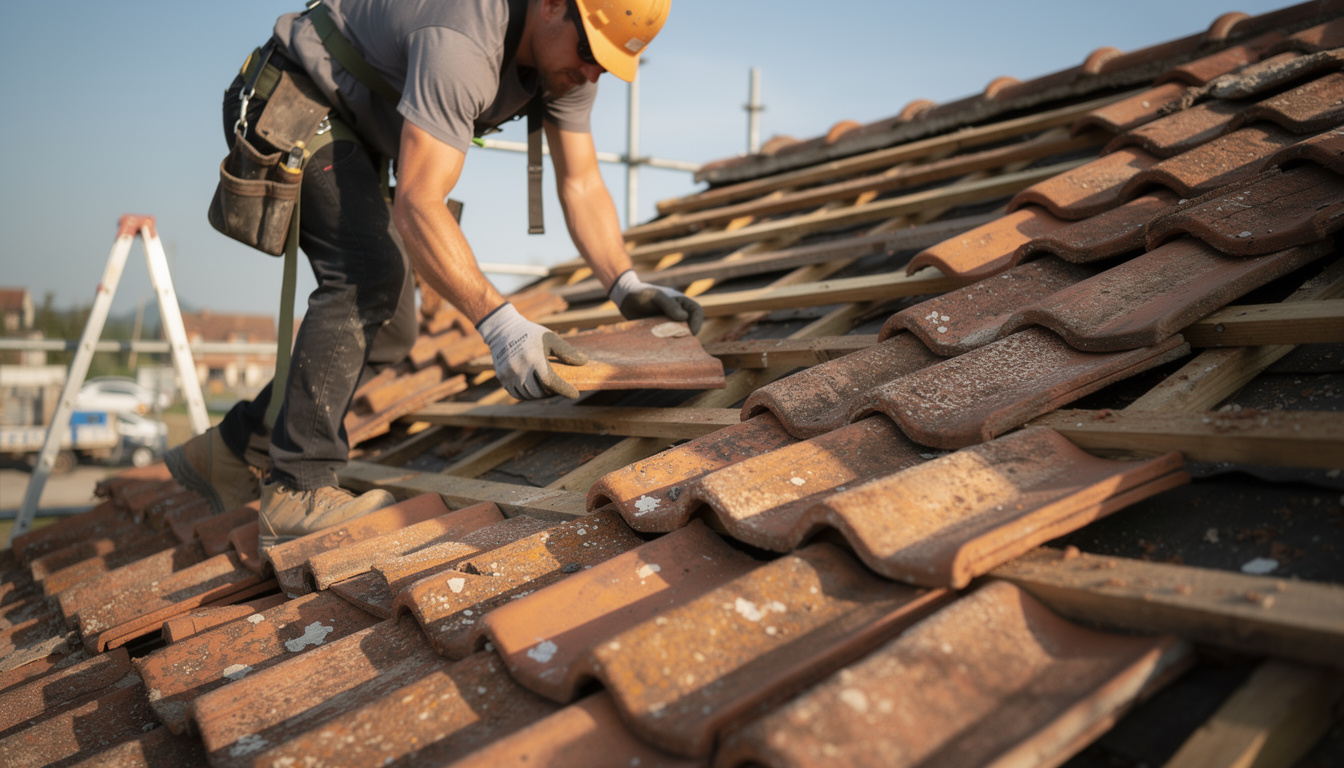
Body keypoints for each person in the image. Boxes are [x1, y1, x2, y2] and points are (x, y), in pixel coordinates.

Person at [166, 0, 701, 552]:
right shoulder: (464, 39)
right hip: (299, 96)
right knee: (367, 276)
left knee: (394, 330)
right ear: (549, 6)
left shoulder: (567, 63)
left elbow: (582, 183)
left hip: (356, 124)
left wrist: (626, 284)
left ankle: (230, 451)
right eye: (590, 51)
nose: (592, 73)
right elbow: (420, 201)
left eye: (607, 66)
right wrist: (500, 324)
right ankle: (297, 487)